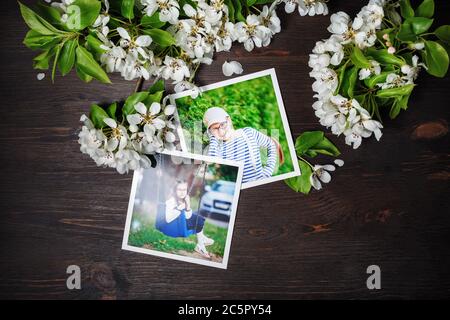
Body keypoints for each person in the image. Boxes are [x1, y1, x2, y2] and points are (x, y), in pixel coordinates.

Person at [204, 107, 279, 183]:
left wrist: (267, 172)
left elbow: (271, 144)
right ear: (210, 132)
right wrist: (213, 138)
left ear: (229, 120)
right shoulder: (217, 149)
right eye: (215, 128)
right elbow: (211, 169)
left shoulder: (248, 133)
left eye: (222, 124)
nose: (221, 131)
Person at [159, 180, 214, 258]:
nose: (182, 192)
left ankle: (201, 243)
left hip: (182, 224)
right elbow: (168, 219)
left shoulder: (183, 201)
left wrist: (188, 206)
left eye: (184, 190)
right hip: (173, 227)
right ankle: (202, 242)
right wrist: (178, 209)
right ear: (175, 191)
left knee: (199, 219)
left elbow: (188, 217)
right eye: (179, 190)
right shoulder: (170, 201)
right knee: (197, 219)